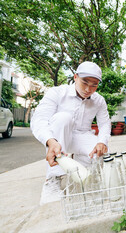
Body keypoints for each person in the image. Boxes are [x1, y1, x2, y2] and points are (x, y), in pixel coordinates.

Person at [30, 61, 111, 205]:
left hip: (82, 135)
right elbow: (39, 120)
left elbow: (104, 124)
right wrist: (50, 141)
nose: (88, 89)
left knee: (99, 152)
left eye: (94, 85)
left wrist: (101, 142)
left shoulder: (99, 100)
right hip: (58, 138)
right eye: (84, 82)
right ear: (75, 77)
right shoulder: (57, 92)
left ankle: (86, 179)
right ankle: (53, 180)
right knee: (63, 118)